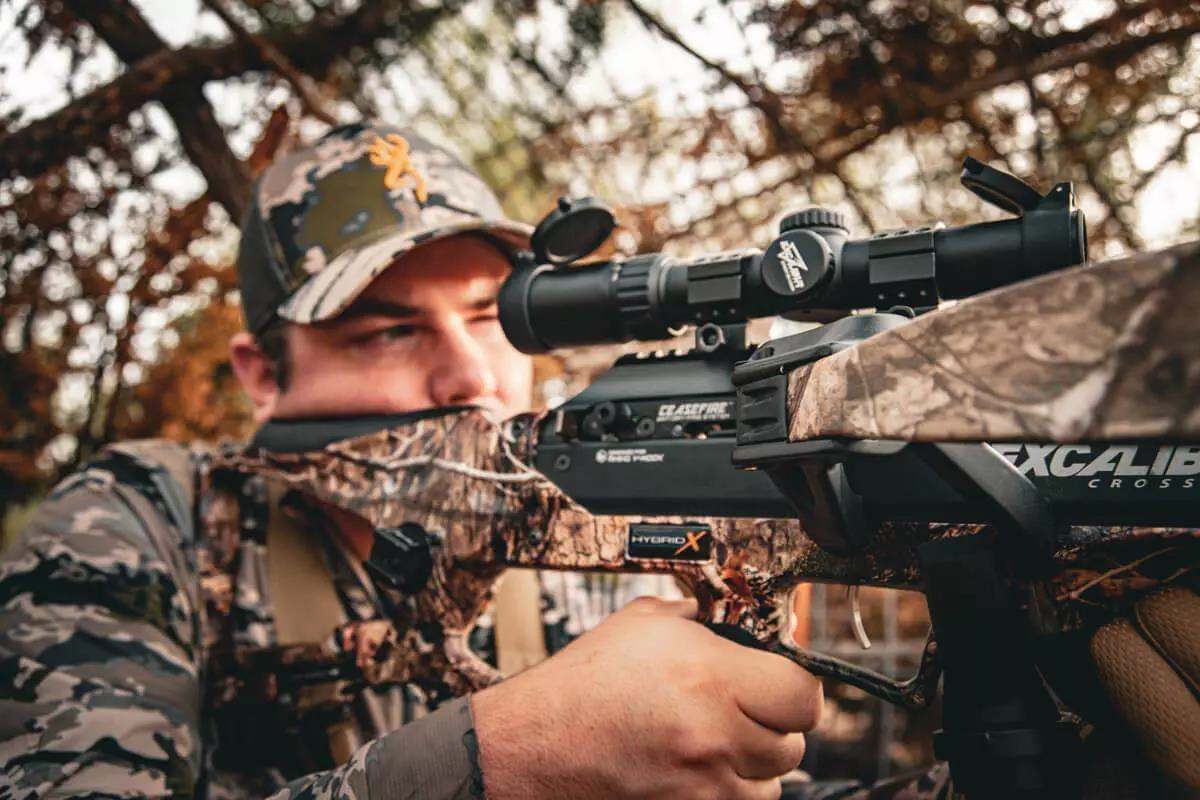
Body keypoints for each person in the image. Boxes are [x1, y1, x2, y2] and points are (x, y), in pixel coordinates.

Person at [0, 123, 820, 799]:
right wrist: (500, 761)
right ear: (262, 376)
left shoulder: (599, 506)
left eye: (495, 319)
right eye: (392, 331)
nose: (471, 377)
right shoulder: (146, 520)